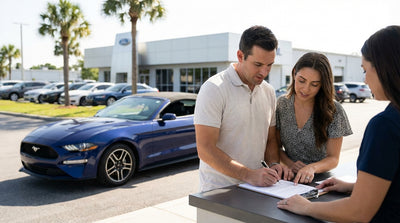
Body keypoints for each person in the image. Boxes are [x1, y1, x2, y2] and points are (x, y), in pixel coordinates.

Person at [277, 25, 400, 223]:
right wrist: (354, 187)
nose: (365, 80)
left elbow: (359, 211)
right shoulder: (281, 104)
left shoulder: (385, 126)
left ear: (384, 68)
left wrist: (307, 207)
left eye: (365, 70)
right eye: (301, 80)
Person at [194, 25, 287, 192]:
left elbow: (271, 139)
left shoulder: (269, 92)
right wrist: (249, 174)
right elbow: (205, 149)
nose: (264, 72)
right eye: (258, 64)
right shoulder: (214, 89)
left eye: (269, 65)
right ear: (240, 56)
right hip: (218, 191)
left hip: (258, 188)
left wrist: (273, 164)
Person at [276, 52, 352, 184]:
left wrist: (312, 168)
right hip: (288, 179)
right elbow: (275, 147)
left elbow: (333, 158)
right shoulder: (281, 104)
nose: (306, 89)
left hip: (320, 180)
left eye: (314, 84)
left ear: (323, 84)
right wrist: (289, 164)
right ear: (294, 73)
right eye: (301, 80)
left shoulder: (334, 110)